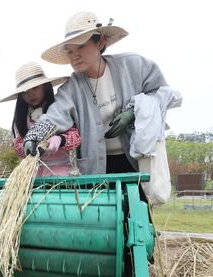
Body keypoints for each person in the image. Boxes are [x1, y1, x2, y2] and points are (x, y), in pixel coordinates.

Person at [23, 11, 169, 176]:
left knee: (139, 201)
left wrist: (133, 112)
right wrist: (33, 137)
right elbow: (55, 115)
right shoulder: (72, 88)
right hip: (98, 165)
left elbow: (161, 93)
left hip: (138, 158)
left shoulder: (134, 66)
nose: (74, 56)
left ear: (100, 42)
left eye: (81, 46)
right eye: (69, 51)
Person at [0, 62, 81, 176]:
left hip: (60, 171)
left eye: (35, 88)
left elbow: (76, 138)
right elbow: (18, 147)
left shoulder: (59, 110)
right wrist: (27, 147)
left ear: (45, 86)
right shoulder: (21, 118)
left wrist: (59, 140)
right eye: (25, 91)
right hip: (31, 173)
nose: (30, 94)